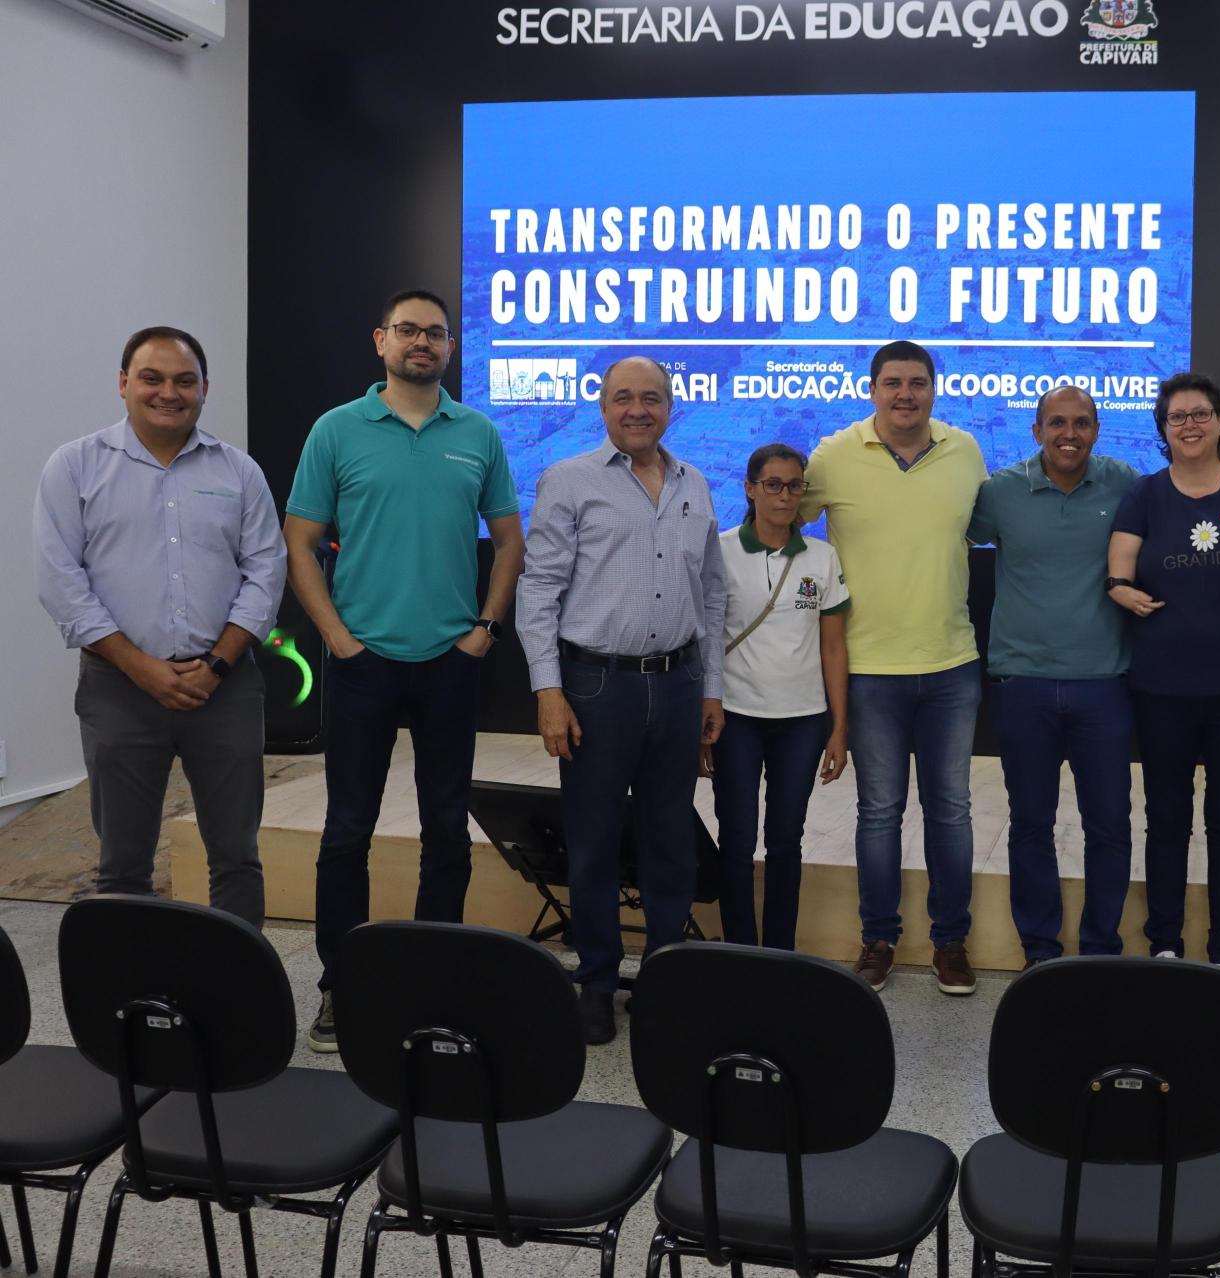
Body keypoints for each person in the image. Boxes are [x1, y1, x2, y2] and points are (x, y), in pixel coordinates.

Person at [284, 289, 524, 1052]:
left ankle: (432, 977)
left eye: (436, 333)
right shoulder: (336, 430)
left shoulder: (478, 433)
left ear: (451, 347)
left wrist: (484, 630)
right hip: (363, 664)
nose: (423, 342)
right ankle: (341, 984)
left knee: (446, 831)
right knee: (346, 832)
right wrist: (337, 638)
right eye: (409, 330)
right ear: (381, 340)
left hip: (451, 663)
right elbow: (300, 542)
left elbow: (510, 541)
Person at [34, 327, 286, 927]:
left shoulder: (239, 471)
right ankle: (130, 984)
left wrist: (217, 664)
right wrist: (139, 666)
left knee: (236, 858)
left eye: (183, 381)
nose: (168, 393)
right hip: (118, 688)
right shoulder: (74, 467)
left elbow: (266, 572)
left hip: (225, 688)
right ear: (124, 383)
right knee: (123, 867)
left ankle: (236, 982)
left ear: (204, 389)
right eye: (152, 378)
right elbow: (60, 581)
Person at [517, 355, 726, 1043]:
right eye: (624, 398)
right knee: (594, 843)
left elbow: (712, 595)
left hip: (678, 683)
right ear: (603, 406)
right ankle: (597, 983)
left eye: (652, 398)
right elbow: (539, 590)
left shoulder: (696, 484)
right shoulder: (569, 479)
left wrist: (711, 688)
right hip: (595, 687)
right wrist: (548, 690)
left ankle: (664, 980)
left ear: (671, 406)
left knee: (671, 842)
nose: (639, 409)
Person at [798, 341, 987, 995]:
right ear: (872, 389)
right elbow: (780, 522)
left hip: (952, 664)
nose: (905, 394)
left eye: (917, 383)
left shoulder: (965, 451)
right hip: (870, 668)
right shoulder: (833, 456)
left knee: (951, 812)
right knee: (879, 812)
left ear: (933, 389)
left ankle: (950, 944)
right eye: (893, 383)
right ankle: (877, 939)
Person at [1107, 373, 1220, 969]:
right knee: (1166, 819)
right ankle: (1164, 943)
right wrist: (1121, 591)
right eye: (1177, 416)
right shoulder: (1145, 493)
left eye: (1200, 414)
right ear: (1163, 429)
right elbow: (1118, 571)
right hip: (1163, 688)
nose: (1189, 424)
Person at [968, 386, 1138, 968]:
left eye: (1081, 423)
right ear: (1037, 430)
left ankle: (1099, 951)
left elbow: (1184, 507)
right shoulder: (1000, 492)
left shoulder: (1125, 484)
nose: (1070, 434)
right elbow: (941, 535)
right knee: (1031, 825)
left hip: (1104, 683)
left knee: (1109, 827)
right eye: (1057, 423)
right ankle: (1040, 952)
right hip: (1023, 683)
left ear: (1097, 430)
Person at [709, 442, 850, 951]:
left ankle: (779, 954)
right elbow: (706, 639)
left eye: (795, 486)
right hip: (737, 719)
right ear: (750, 489)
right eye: (773, 485)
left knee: (786, 842)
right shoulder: (719, 551)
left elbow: (833, 646)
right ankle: (740, 952)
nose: (785, 495)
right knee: (736, 840)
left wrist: (839, 727)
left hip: (804, 721)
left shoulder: (822, 557)